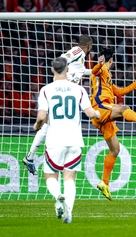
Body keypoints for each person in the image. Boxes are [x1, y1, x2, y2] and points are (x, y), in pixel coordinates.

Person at [34, 57, 100, 223]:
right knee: (69, 178)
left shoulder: (46, 90)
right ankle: (68, 212)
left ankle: (58, 196)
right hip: (74, 140)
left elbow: (42, 115)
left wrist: (37, 125)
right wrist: (101, 114)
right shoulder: (78, 89)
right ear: (68, 70)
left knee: (50, 176)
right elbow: (91, 113)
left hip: (55, 139)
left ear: (52, 70)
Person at [91, 48, 136, 201]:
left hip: (105, 113)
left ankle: (104, 183)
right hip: (100, 107)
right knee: (124, 109)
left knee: (115, 149)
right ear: (111, 60)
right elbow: (94, 71)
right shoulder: (101, 70)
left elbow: (119, 93)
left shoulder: (108, 76)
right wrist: (99, 63)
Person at [22, 34, 93, 176]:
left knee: (48, 124)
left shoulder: (80, 57)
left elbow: (79, 70)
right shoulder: (77, 51)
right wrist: (66, 77)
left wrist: (96, 71)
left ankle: (30, 157)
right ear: (89, 46)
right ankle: (31, 157)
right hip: (61, 91)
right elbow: (61, 60)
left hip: (66, 93)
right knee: (49, 124)